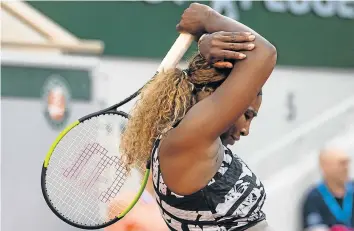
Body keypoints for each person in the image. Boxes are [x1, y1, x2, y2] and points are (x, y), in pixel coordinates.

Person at [121, 3, 277, 231]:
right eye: (246, 114)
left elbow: (257, 56)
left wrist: (206, 38)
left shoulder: (189, 138)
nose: (246, 129)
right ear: (212, 93)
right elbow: (264, 53)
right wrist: (206, 17)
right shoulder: (189, 138)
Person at [302, 148, 354, 231]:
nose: (346, 168)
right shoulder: (315, 198)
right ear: (325, 167)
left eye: (347, 163)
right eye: (341, 164)